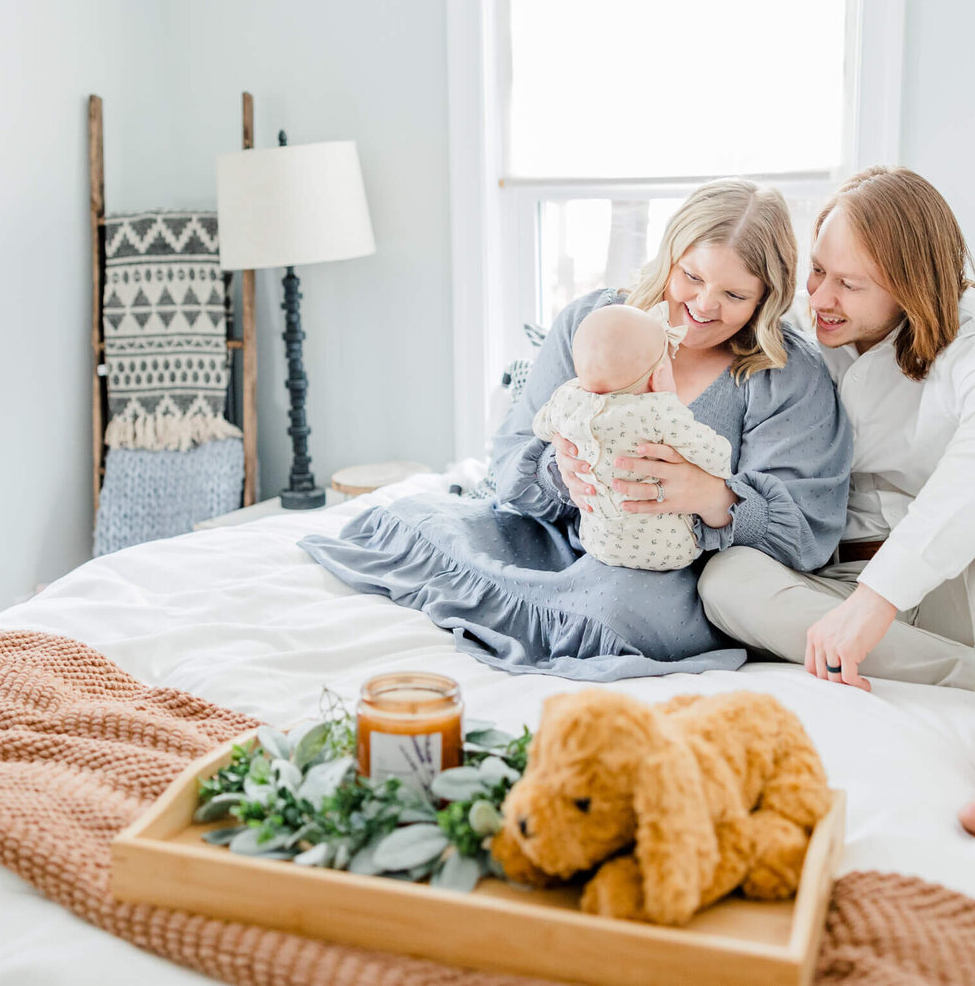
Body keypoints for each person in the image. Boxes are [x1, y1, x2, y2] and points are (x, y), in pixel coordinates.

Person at [299, 178, 851, 680]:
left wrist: (713, 495)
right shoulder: (598, 322)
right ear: (670, 256)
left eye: (734, 295)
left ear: (767, 297)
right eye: (692, 276)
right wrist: (562, 474)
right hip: (560, 534)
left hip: (665, 568)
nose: (703, 306)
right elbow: (512, 460)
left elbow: (806, 530)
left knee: (617, 610)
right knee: (414, 521)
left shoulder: (785, 374)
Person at [698, 166, 975, 846]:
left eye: (850, 284)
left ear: (909, 290)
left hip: (937, 583)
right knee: (724, 581)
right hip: (827, 578)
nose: (819, 296)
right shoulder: (795, 330)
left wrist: (876, 598)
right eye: (817, 270)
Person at [531, 303, 733, 571]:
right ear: (659, 377)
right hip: (671, 550)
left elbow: (540, 426)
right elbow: (718, 457)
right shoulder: (659, 412)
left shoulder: (568, 399)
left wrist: (564, 438)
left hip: (596, 544)